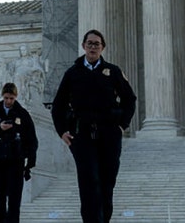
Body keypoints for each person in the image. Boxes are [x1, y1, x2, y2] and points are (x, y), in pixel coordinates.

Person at [52, 30, 136, 223]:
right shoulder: (72, 73)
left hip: (109, 133)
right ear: (83, 46)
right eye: (89, 43)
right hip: (81, 134)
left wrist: (122, 125)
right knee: (89, 182)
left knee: (107, 183)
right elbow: (58, 105)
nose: (93, 47)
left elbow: (129, 99)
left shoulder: (113, 72)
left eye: (97, 44)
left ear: (102, 47)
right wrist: (62, 131)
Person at [0, 82, 38, 223]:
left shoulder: (22, 114)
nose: (8, 101)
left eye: (11, 98)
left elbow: (31, 138)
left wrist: (30, 162)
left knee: (14, 195)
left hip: (16, 158)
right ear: (2, 97)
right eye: (6, 98)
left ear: (16, 97)